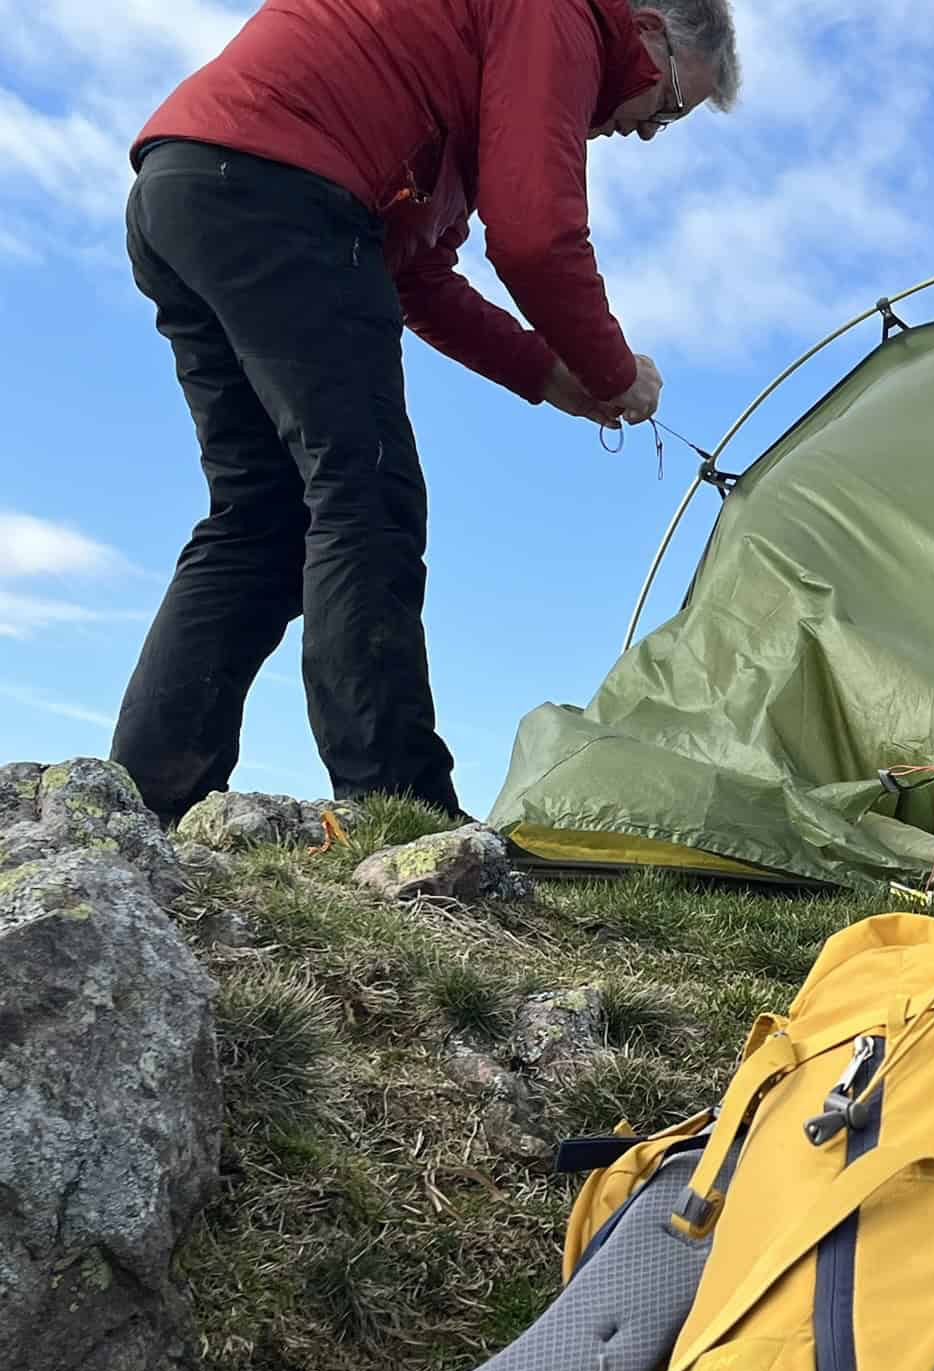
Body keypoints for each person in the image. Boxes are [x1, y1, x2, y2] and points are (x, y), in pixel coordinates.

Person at [110, 0, 739, 826]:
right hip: (282, 188)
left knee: (261, 516)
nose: (650, 131)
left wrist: (549, 374)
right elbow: (535, 234)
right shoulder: (561, 16)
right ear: (648, 27)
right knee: (367, 495)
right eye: (670, 104)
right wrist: (615, 372)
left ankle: (142, 803)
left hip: (186, 185)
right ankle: (397, 801)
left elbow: (415, 275)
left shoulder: (454, 71)